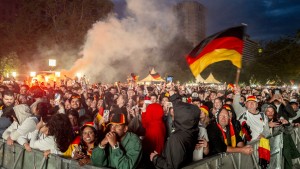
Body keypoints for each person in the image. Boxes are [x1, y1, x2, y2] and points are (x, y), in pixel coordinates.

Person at [150, 89, 199, 169]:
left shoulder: (176, 138)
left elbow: (172, 167)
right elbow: (182, 107)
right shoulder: (191, 130)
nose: (173, 112)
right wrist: (173, 96)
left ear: (181, 117)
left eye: (176, 112)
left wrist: (156, 158)